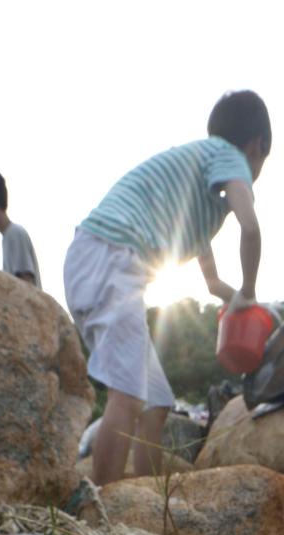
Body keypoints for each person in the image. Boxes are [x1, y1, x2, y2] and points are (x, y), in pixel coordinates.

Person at [64, 90, 271, 486]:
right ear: (258, 145)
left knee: (156, 400)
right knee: (127, 393)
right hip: (111, 257)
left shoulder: (197, 196)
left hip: (101, 261)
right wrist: (249, 285)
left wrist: (247, 303)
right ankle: (100, 516)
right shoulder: (229, 156)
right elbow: (251, 227)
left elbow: (211, 284)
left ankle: (147, 501)